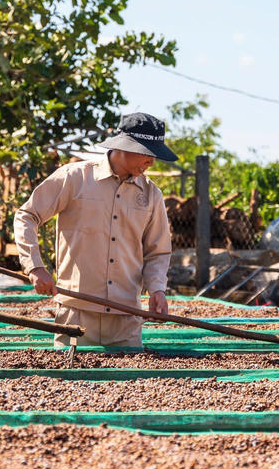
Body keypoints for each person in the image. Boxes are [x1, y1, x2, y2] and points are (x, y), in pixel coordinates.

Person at [13, 112, 175, 347]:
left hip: (126, 318)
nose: (151, 161)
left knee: (129, 381)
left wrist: (157, 290)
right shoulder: (75, 178)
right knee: (68, 383)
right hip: (75, 313)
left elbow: (157, 252)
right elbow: (26, 215)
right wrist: (35, 266)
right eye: (146, 153)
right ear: (123, 147)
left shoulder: (151, 195)